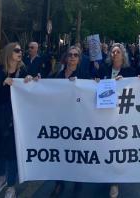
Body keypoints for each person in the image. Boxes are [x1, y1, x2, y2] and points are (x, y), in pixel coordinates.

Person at [94, 43, 135, 198]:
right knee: (105, 146)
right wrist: (96, 81)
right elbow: (92, 83)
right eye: (112, 52)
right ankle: (106, 174)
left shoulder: (130, 71)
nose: (115, 54)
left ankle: (114, 182)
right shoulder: (103, 70)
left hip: (122, 116)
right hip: (104, 114)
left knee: (117, 147)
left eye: (118, 52)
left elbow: (137, 87)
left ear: (123, 55)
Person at [50, 46, 91, 197]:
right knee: (60, 152)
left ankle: (77, 181)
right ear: (66, 58)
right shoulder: (57, 75)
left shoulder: (84, 75)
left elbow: (90, 93)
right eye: (70, 55)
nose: (73, 57)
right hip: (60, 120)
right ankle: (59, 183)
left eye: (76, 55)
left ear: (79, 59)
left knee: (76, 152)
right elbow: (44, 88)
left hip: (77, 120)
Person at [0, 43, 34, 198]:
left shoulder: (23, 71)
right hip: (0, 117)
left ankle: (11, 184)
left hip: (17, 117)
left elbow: (31, 91)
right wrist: (2, 82)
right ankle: (1, 177)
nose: (20, 53)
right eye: (17, 50)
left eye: (21, 50)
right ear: (9, 53)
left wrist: (31, 80)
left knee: (13, 151)